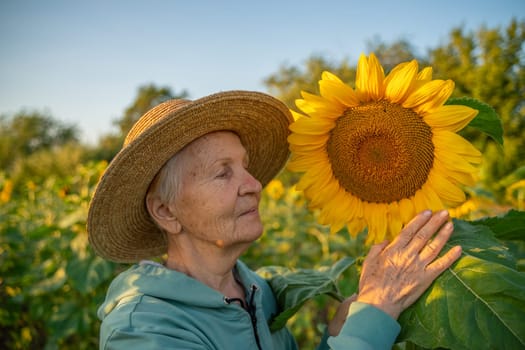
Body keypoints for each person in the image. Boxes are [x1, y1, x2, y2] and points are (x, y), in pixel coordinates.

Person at [87, 90, 462, 349]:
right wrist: (374, 319)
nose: (253, 185)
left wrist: (339, 332)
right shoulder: (144, 331)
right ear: (166, 212)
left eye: (246, 168)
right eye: (223, 173)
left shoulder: (257, 293)